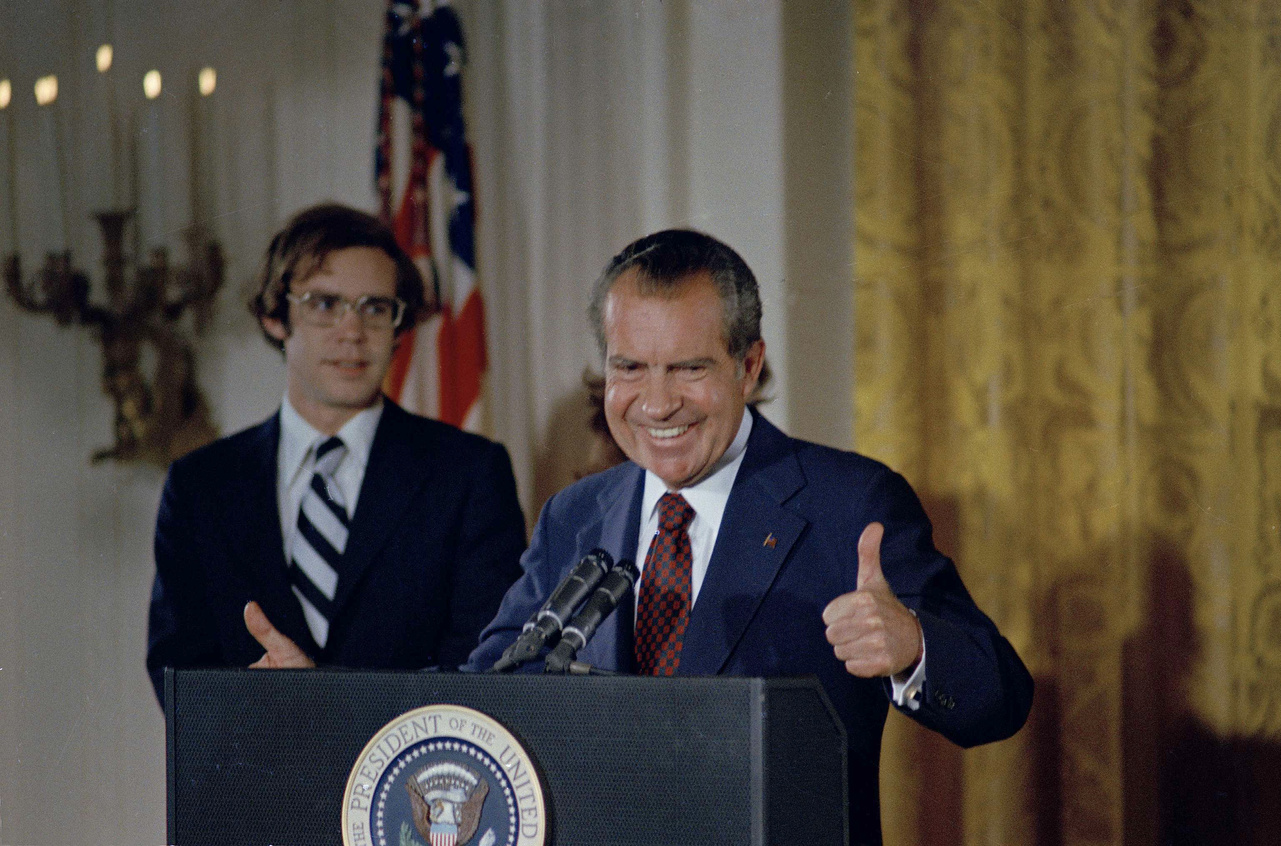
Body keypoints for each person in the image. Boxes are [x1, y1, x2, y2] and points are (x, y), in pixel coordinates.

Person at [462, 229, 1034, 845]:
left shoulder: (847, 504)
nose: (656, 404)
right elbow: (485, 693)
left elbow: (1000, 699)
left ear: (748, 366)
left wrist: (914, 647)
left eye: (688, 368)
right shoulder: (574, 516)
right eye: (630, 367)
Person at [146, 203, 527, 706]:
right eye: (325, 304)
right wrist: (248, 707)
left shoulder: (469, 475)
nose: (352, 332)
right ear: (275, 316)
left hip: (411, 782)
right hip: (257, 777)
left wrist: (328, 710)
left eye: (375, 308)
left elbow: (487, 669)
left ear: (398, 326)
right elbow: (176, 672)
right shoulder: (201, 485)